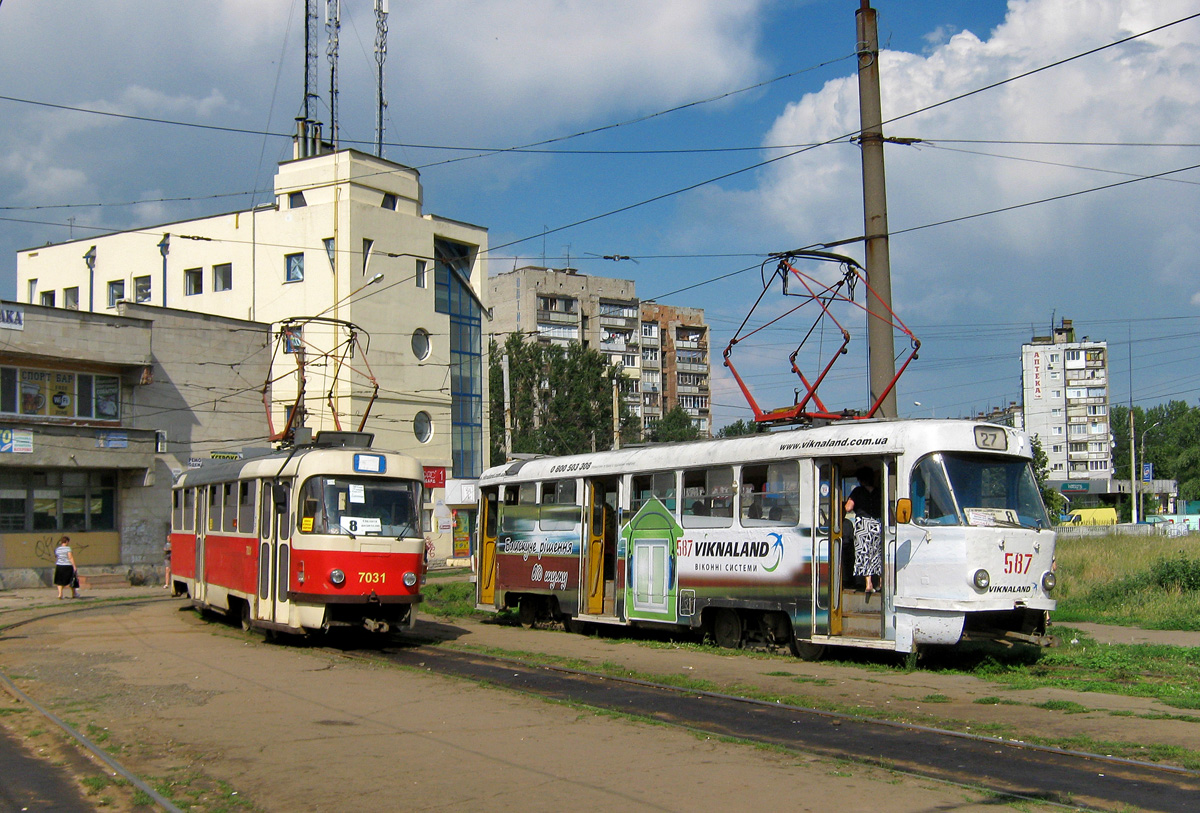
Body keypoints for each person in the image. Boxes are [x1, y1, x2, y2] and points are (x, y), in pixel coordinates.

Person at [844, 466, 882, 593]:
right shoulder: (879, 492)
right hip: (877, 524)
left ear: (860, 480)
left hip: (863, 525)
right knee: (877, 553)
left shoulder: (857, 491)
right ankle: (881, 582)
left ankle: (868, 584)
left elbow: (848, 508)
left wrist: (848, 500)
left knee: (864, 554)